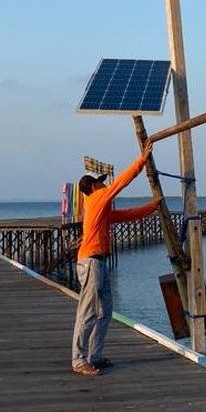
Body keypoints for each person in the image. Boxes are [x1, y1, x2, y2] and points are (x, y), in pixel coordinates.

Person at [71, 140, 160, 376]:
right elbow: (120, 182)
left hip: (98, 261)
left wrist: (153, 207)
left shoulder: (101, 209)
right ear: (92, 186)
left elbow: (127, 215)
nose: (104, 184)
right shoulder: (96, 199)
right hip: (90, 260)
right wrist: (141, 160)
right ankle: (79, 360)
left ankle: (95, 356)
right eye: (100, 182)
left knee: (105, 311)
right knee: (88, 311)